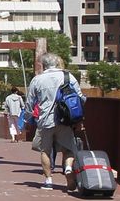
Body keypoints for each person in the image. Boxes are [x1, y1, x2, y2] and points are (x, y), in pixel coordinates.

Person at [25, 53, 82, 189]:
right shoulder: (68, 77)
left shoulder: (37, 80)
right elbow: (81, 98)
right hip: (65, 120)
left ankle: (48, 180)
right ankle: (68, 168)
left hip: (45, 120)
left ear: (43, 65)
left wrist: (28, 119)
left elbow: (30, 102)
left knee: (45, 150)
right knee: (68, 149)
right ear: (57, 63)